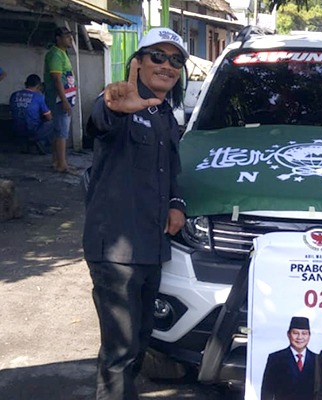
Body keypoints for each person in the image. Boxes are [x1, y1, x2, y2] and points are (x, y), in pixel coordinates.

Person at [82, 27, 188, 400]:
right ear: (138, 62)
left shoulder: (166, 117)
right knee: (120, 351)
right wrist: (111, 107)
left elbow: (171, 173)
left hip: (152, 247)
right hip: (116, 249)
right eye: (157, 56)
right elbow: (98, 124)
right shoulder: (120, 102)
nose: (167, 65)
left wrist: (177, 204)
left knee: (142, 340)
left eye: (176, 60)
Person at [44, 27, 78, 174]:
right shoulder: (56, 55)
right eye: (67, 37)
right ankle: (62, 164)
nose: (70, 39)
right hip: (60, 99)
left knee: (59, 131)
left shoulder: (61, 53)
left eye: (71, 36)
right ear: (58, 38)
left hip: (65, 97)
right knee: (62, 132)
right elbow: (57, 79)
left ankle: (56, 161)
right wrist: (64, 100)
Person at [261, 316, 317, 400]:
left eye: (304, 333)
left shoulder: (317, 360)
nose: (300, 337)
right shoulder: (275, 358)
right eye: (295, 333)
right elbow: (267, 391)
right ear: (288, 334)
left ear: (309, 335)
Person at [9, 74, 53, 154]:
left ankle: (26, 144)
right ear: (39, 86)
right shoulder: (39, 97)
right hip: (32, 130)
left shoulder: (14, 95)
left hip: (16, 129)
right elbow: (49, 117)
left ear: (26, 83)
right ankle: (37, 141)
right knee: (52, 122)